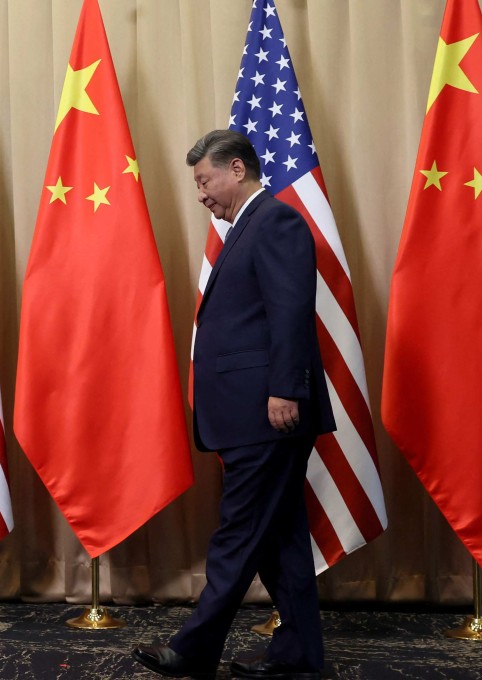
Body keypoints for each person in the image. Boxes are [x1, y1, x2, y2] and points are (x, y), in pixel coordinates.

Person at [133, 129, 335, 680]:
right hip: (248, 415)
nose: (201, 193)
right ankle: (298, 657)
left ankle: (194, 650)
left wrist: (285, 390)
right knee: (279, 539)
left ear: (237, 170)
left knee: (239, 531)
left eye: (205, 180)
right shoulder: (247, 228)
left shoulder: (276, 221)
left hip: (266, 414)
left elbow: (290, 312)